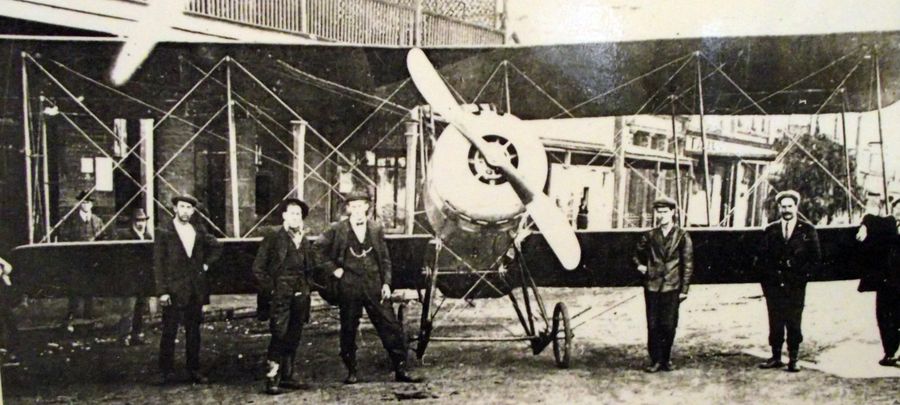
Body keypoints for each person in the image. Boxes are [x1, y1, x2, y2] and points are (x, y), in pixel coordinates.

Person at [316, 190, 423, 384]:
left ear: (367, 207)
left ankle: (401, 369)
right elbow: (317, 250)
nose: (357, 210)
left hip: (374, 285)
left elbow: (385, 259)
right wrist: (334, 270)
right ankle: (351, 371)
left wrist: (387, 284)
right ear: (348, 209)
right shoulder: (336, 229)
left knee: (390, 325)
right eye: (353, 206)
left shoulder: (375, 228)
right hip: (349, 285)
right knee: (348, 327)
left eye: (361, 205)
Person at [154, 194, 222, 384]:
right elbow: (158, 264)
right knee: (169, 331)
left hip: (194, 290)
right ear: (175, 208)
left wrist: (205, 265)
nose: (185, 211)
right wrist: (162, 291)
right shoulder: (164, 231)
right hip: (173, 290)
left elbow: (217, 247)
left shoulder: (198, 230)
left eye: (189, 208)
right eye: (182, 207)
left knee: (194, 332)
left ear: (193, 211)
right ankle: (166, 371)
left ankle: (193, 370)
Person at [252, 198, 316, 394]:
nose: (296, 217)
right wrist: (272, 290)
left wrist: (307, 287)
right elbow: (258, 268)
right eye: (292, 213)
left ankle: (287, 376)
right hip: (280, 294)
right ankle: (272, 377)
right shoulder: (273, 236)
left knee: (294, 334)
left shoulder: (303, 238)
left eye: (299, 214)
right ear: (284, 216)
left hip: (300, 293)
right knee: (279, 334)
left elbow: (309, 267)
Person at [755, 190, 820, 372]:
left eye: (790, 206)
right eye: (783, 207)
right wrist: (767, 283)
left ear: (796, 207)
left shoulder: (807, 230)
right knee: (775, 321)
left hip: (795, 285)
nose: (786, 210)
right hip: (774, 285)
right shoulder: (770, 230)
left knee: (793, 321)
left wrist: (802, 278)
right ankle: (776, 357)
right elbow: (761, 259)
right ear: (779, 208)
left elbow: (815, 259)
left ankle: (793, 358)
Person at [632, 196, 693, 373]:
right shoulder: (650, 235)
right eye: (659, 212)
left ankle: (666, 359)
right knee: (653, 324)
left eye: (665, 212)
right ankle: (655, 360)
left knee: (669, 324)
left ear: (673, 213)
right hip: (652, 286)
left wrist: (684, 289)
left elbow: (688, 264)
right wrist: (640, 266)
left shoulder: (682, 236)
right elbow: (635, 255)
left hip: (672, 287)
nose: (661, 215)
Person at [856, 201, 900, 367]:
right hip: (888, 283)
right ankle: (890, 354)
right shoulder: (887, 225)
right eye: (898, 208)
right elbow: (870, 218)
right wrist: (864, 225)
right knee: (885, 318)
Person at [62, 190, 107, 321]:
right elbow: (65, 238)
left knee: (90, 286)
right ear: (79, 203)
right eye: (84, 202)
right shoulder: (71, 221)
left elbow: (104, 239)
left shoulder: (97, 221)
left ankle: (89, 314)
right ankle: (73, 313)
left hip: (92, 260)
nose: (86, 205)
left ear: (92, 205)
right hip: (76, 259)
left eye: (89, 202)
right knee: (74, 287)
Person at [115, 208, 152, 346]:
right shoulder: (126, 236)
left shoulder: (147, 236)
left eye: (143, 220)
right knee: (128, 309)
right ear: (132, 222)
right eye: (138, 220)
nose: (140, 223)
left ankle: (137, 335)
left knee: (140, 308)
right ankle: (124, 336)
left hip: (143, 278)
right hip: (130, 278)